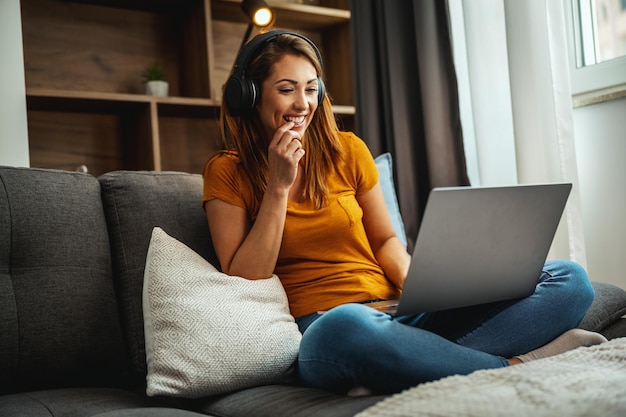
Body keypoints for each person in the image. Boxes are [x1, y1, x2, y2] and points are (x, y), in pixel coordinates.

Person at [202, 30, 606, 395]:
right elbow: (244, 275)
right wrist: (278, 187)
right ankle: (512, 366)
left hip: (397, 314)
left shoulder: (348, 151)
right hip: (324, 329)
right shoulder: (228, 170)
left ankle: (400, 366)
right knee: (348, 328)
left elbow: (385, 240)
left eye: (311, 89)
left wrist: (423, 288)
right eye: (287, 89)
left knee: (571, 280)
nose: (303, 104)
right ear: (251, 96)